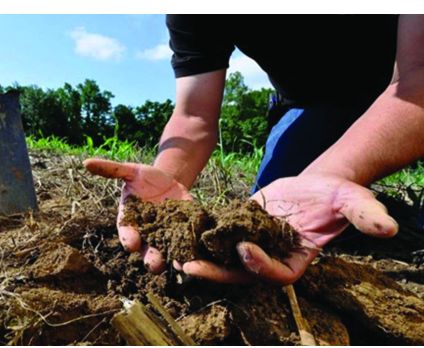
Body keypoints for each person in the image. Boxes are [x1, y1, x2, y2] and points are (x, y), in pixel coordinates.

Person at [84, 15, 424, 285]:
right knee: (275, 218)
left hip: (409, 82)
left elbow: (417, 77)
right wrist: (165, 187)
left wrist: (336, 171)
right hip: (315, 104)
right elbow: (194, 115)